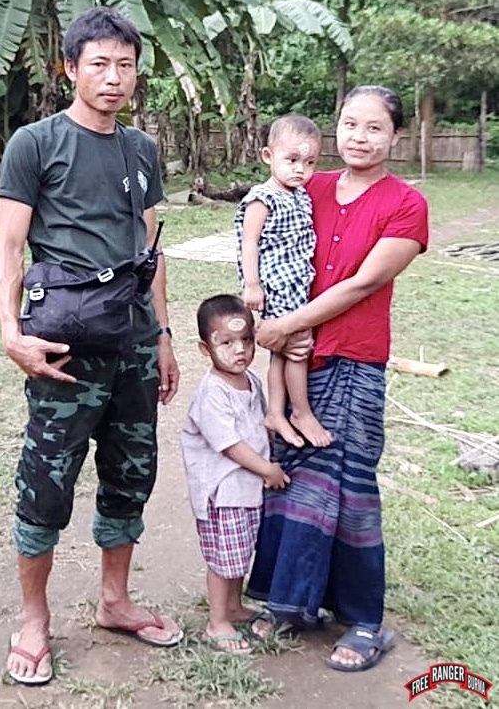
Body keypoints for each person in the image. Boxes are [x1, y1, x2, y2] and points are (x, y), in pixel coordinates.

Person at [0, 7, 182, 686]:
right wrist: (12, 334)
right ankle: (35, 619)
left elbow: (150, 252)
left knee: (131, 475)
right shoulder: (35, 144)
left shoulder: (141, 150)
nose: (112, 77)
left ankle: (115, 600)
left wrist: (162, 338)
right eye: (98, 63)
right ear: (70, 68)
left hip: (132, 344)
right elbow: (9, 246)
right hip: (63, 346)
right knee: (45, 485)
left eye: (124, 64)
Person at [245, 86, 429, 672]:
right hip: (298, 360)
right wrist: (258, 315)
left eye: (374, 128)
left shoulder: (405, 204)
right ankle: (293, 603)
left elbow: (360, 285)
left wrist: (283, 326)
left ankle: (365, 620)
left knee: (348, 485)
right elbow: (258, 231)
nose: (359, 137)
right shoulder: (308, 186)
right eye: (350, 124)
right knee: (293, 477)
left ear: (394, 137)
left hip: (352, 359)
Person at [180, 294, 290, 654]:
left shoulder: (251, 382)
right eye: (225, 342)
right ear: (204, 348)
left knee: (239, 554)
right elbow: (230, 445)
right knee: (223, 560)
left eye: (245, 340)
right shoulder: (213, 392)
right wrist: (267, 469)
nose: (239, 350)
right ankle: (217, 622)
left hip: (245, 491)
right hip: (222, 492)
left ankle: (233, 605)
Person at [234, 115, 332, 449]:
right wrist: (252, 283)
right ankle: (301, 411)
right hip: (276, 284)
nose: (300, 169)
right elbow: (249, 242)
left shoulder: (300, 195)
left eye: (309, 162)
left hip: (296, 282)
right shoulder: (263, 198)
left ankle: (276, 411)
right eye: (291, 160)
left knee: (283, 350)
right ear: (267, 156)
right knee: (298, 348)